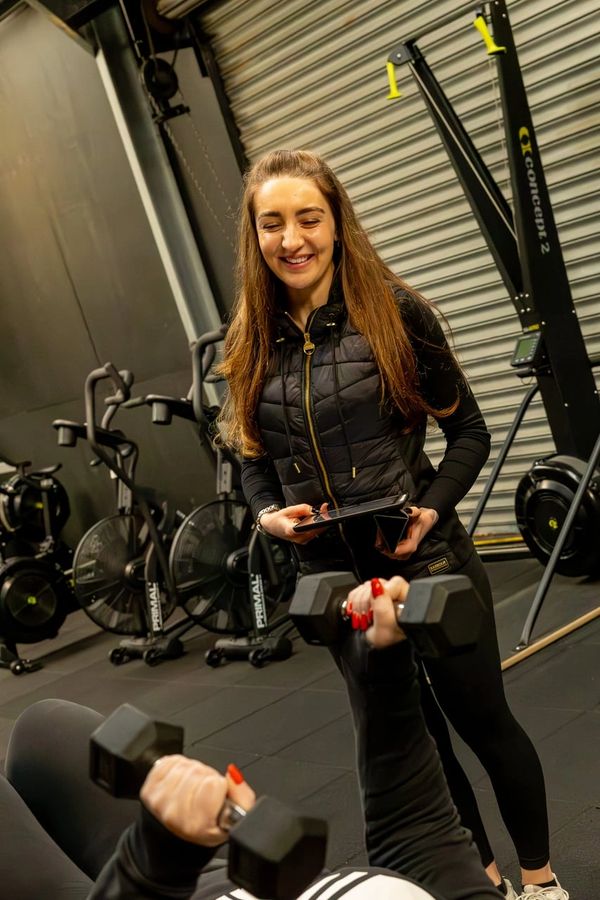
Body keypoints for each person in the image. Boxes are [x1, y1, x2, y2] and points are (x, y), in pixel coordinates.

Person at [216, 149, 567, 900]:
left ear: (337, 222)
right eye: (272, 224)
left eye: (308, 218)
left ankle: (539, 882)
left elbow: (467, 431)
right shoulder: (249, 335)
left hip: (429, 564)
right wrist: (268, 516)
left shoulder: (395, 310)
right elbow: (253, 460)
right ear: (255, 235)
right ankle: (481, 878)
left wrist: (430, 509)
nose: (292, 239)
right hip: (339, 584)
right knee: (416, 743)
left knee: (484, 725)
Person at [0, 577, 502, 900]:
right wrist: (384, 663)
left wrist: (154, 861)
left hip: (165, 884)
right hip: (234, 874)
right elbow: (417, 840)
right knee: (45, 729)